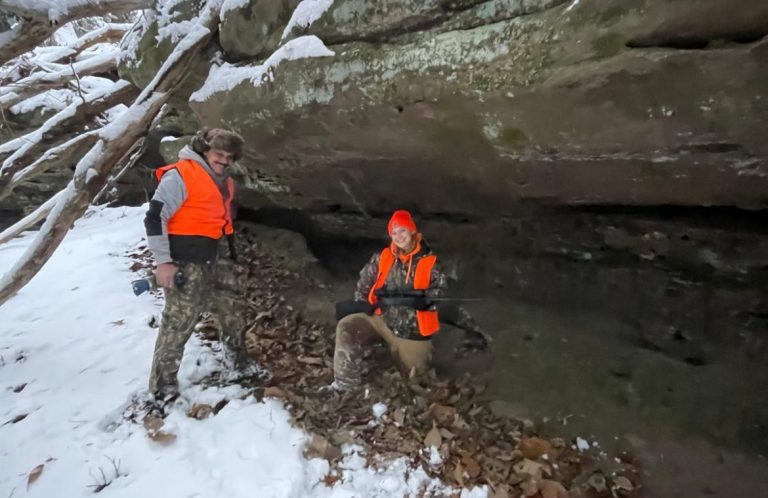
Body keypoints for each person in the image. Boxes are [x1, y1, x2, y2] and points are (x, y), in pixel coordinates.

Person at [143, 127, 255, 409]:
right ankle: (161, 389)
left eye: (230, 156)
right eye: (219, 153)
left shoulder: (226, 182)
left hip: (217, 258)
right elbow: (155, 218)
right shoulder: (180, 175)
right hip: (184, 260)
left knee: (232, 310)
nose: (225, 160)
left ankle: (238, 366)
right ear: (204, 150)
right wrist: (163, 263)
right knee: (178, 323)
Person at [331, 210, 451, 391]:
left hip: (412, 330)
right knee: (347, 326)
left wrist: (425, 301)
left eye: (402, 230)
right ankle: (344, 384)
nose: (398, 236)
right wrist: (365, 304)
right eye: (394, 233)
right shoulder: (382, 258)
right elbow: (364, 284)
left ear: (412, 231)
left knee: (415, 379)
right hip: (380, 319)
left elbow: (440, 291)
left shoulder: (431, 262)